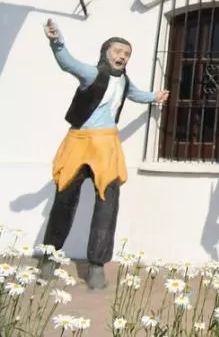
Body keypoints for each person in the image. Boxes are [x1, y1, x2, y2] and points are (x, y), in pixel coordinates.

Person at [39, 18, 169, 289]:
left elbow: (136, 95)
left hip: (106, 146)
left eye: (126, 54)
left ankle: (97, 265)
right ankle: (50, 257)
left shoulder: (124, 81)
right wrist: (56, 41)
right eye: (117, 52)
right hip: (78, 143)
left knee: (107, 204)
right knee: (64, 200)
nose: (122, 57)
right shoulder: (91, 74)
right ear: (105, 53)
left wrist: (155, 96)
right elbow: (68, 63)